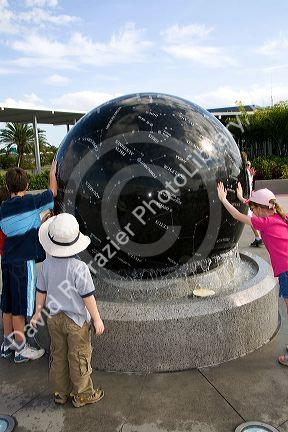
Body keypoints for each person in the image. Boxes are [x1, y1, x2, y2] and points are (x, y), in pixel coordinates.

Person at [31, 213, 105, 408]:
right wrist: (97, 319)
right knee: (79, 356)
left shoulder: (46, 265)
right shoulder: (79, 267)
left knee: (58, 355)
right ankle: (82, 394)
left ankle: (60, 392)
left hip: (54, 319)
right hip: (76, 322)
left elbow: (41, 292)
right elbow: (87, 297)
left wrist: (38, 313)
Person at [217, 181, 288, 366]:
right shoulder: (280, 216)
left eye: (254, 208)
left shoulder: (264, 222)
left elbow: (238, 215)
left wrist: (224, 200)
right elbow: (251, 206)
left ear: (262, 208)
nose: (253, 211)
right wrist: (242, 198)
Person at [0, 162, 57, 362]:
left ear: (8, 187)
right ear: (26, 186)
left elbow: (18, 229)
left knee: (6, 304)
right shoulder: (31, 202)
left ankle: (7, 344)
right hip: (23, 264)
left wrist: (38, 222)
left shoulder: (4, 208)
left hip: (6, 262)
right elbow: (52, 192)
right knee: (20, 306)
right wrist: (52, 173)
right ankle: (21, 349)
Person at [246, 161, 262, 247]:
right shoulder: (247, 174)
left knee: (250, 219)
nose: (248, 166)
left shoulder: (247, 174)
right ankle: (258, 237)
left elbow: (249, 185)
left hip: (247, 199)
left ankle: (258, 237)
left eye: (249, 165)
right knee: (251, 218)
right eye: (246, 165)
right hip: (248, 199)